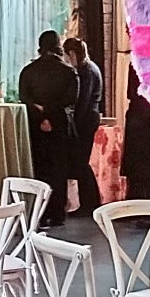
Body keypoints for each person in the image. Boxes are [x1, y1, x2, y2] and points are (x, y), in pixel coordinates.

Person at [16, 30, 79, 225]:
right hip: (59, 124)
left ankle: (40, 213)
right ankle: (58, 214)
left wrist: (40, 114)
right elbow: (71, 99)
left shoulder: (28, 71)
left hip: (34, 125)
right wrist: (51, 113)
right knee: (59, 170)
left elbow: (23, 97)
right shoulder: (69, 71)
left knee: (39, 168)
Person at [62, 36, 104, 216]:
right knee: (81, 162)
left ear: (71, 53)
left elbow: (83, 102)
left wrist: (74, 126)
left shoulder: (86, 72)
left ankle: (90, 204)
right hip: (89, 117)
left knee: (80, 162)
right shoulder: (89, 68)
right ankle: (90, 203)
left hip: (86, 119)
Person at [122, 65, 150, 201]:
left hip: (138, 117)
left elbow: (130, 93)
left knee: (137, 166)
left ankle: (135, 203)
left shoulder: (136, 63)